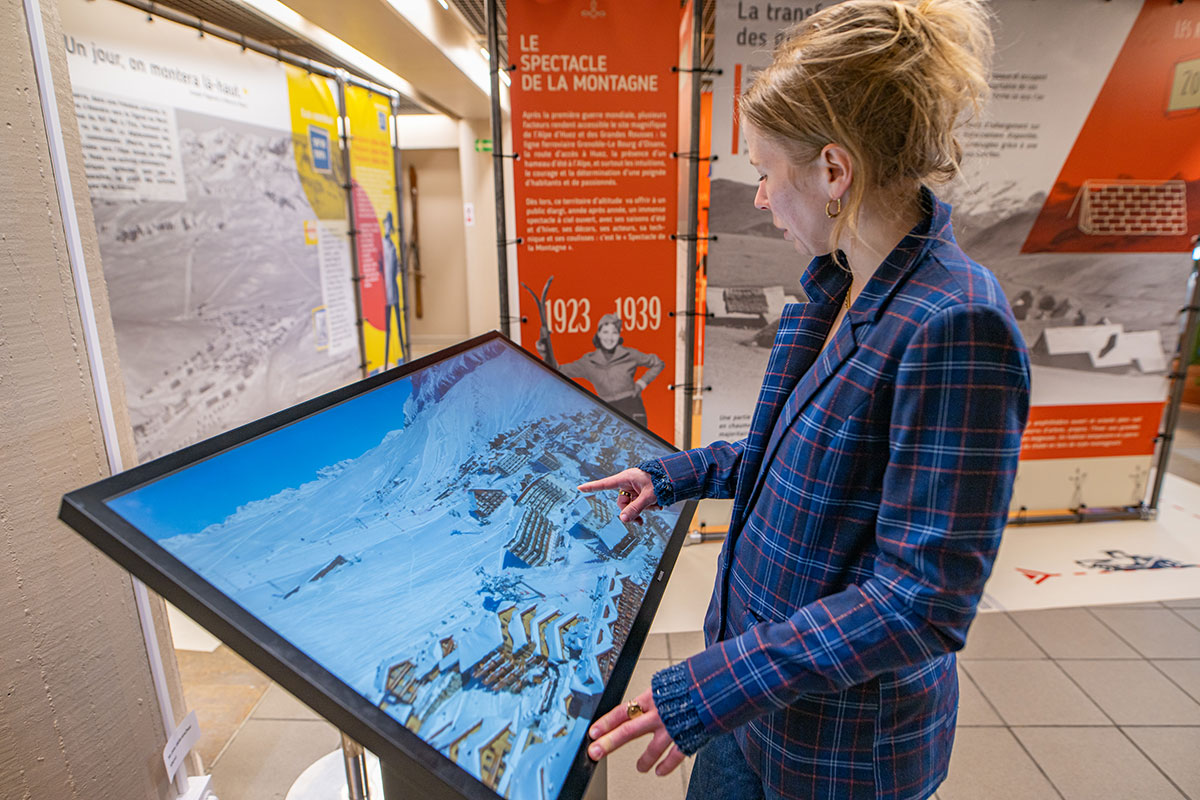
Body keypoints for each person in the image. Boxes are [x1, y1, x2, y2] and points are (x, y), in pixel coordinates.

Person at [579, 2, 1030, 799]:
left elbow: (922, 601)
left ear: (833, 171)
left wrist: (710, 687)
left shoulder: (956, 323)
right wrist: (677, 474)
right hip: (754, 710)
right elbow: (798, 457)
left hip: (836, 756)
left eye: (764, 171)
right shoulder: (841, 286)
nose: (757, 198)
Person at [558, 313, 664, 426]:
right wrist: (544, 350)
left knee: (641, 442)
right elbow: (559, 370)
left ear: (619, 335)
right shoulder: (588, 361)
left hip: (632, 407)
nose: (610, 338)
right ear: (598, 334)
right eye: (605, 332)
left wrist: (642, 383)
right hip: (608, 411)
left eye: (614, 332)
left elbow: (658, 363)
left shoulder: (629, 354)